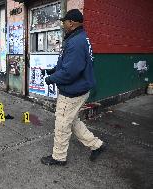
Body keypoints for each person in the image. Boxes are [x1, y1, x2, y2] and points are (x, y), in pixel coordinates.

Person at [41, 9, 106, 166]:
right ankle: (97, 145)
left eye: (65, 22)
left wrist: (51, 78)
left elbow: (70, 72)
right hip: (79, 89)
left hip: (72, 92)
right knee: (72, 121)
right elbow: (69, 64)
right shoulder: (79, 37)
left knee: (62, 124)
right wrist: (54, 70)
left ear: (72, 23)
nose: (63, 24)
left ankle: (59, 157)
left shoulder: (76, 42)